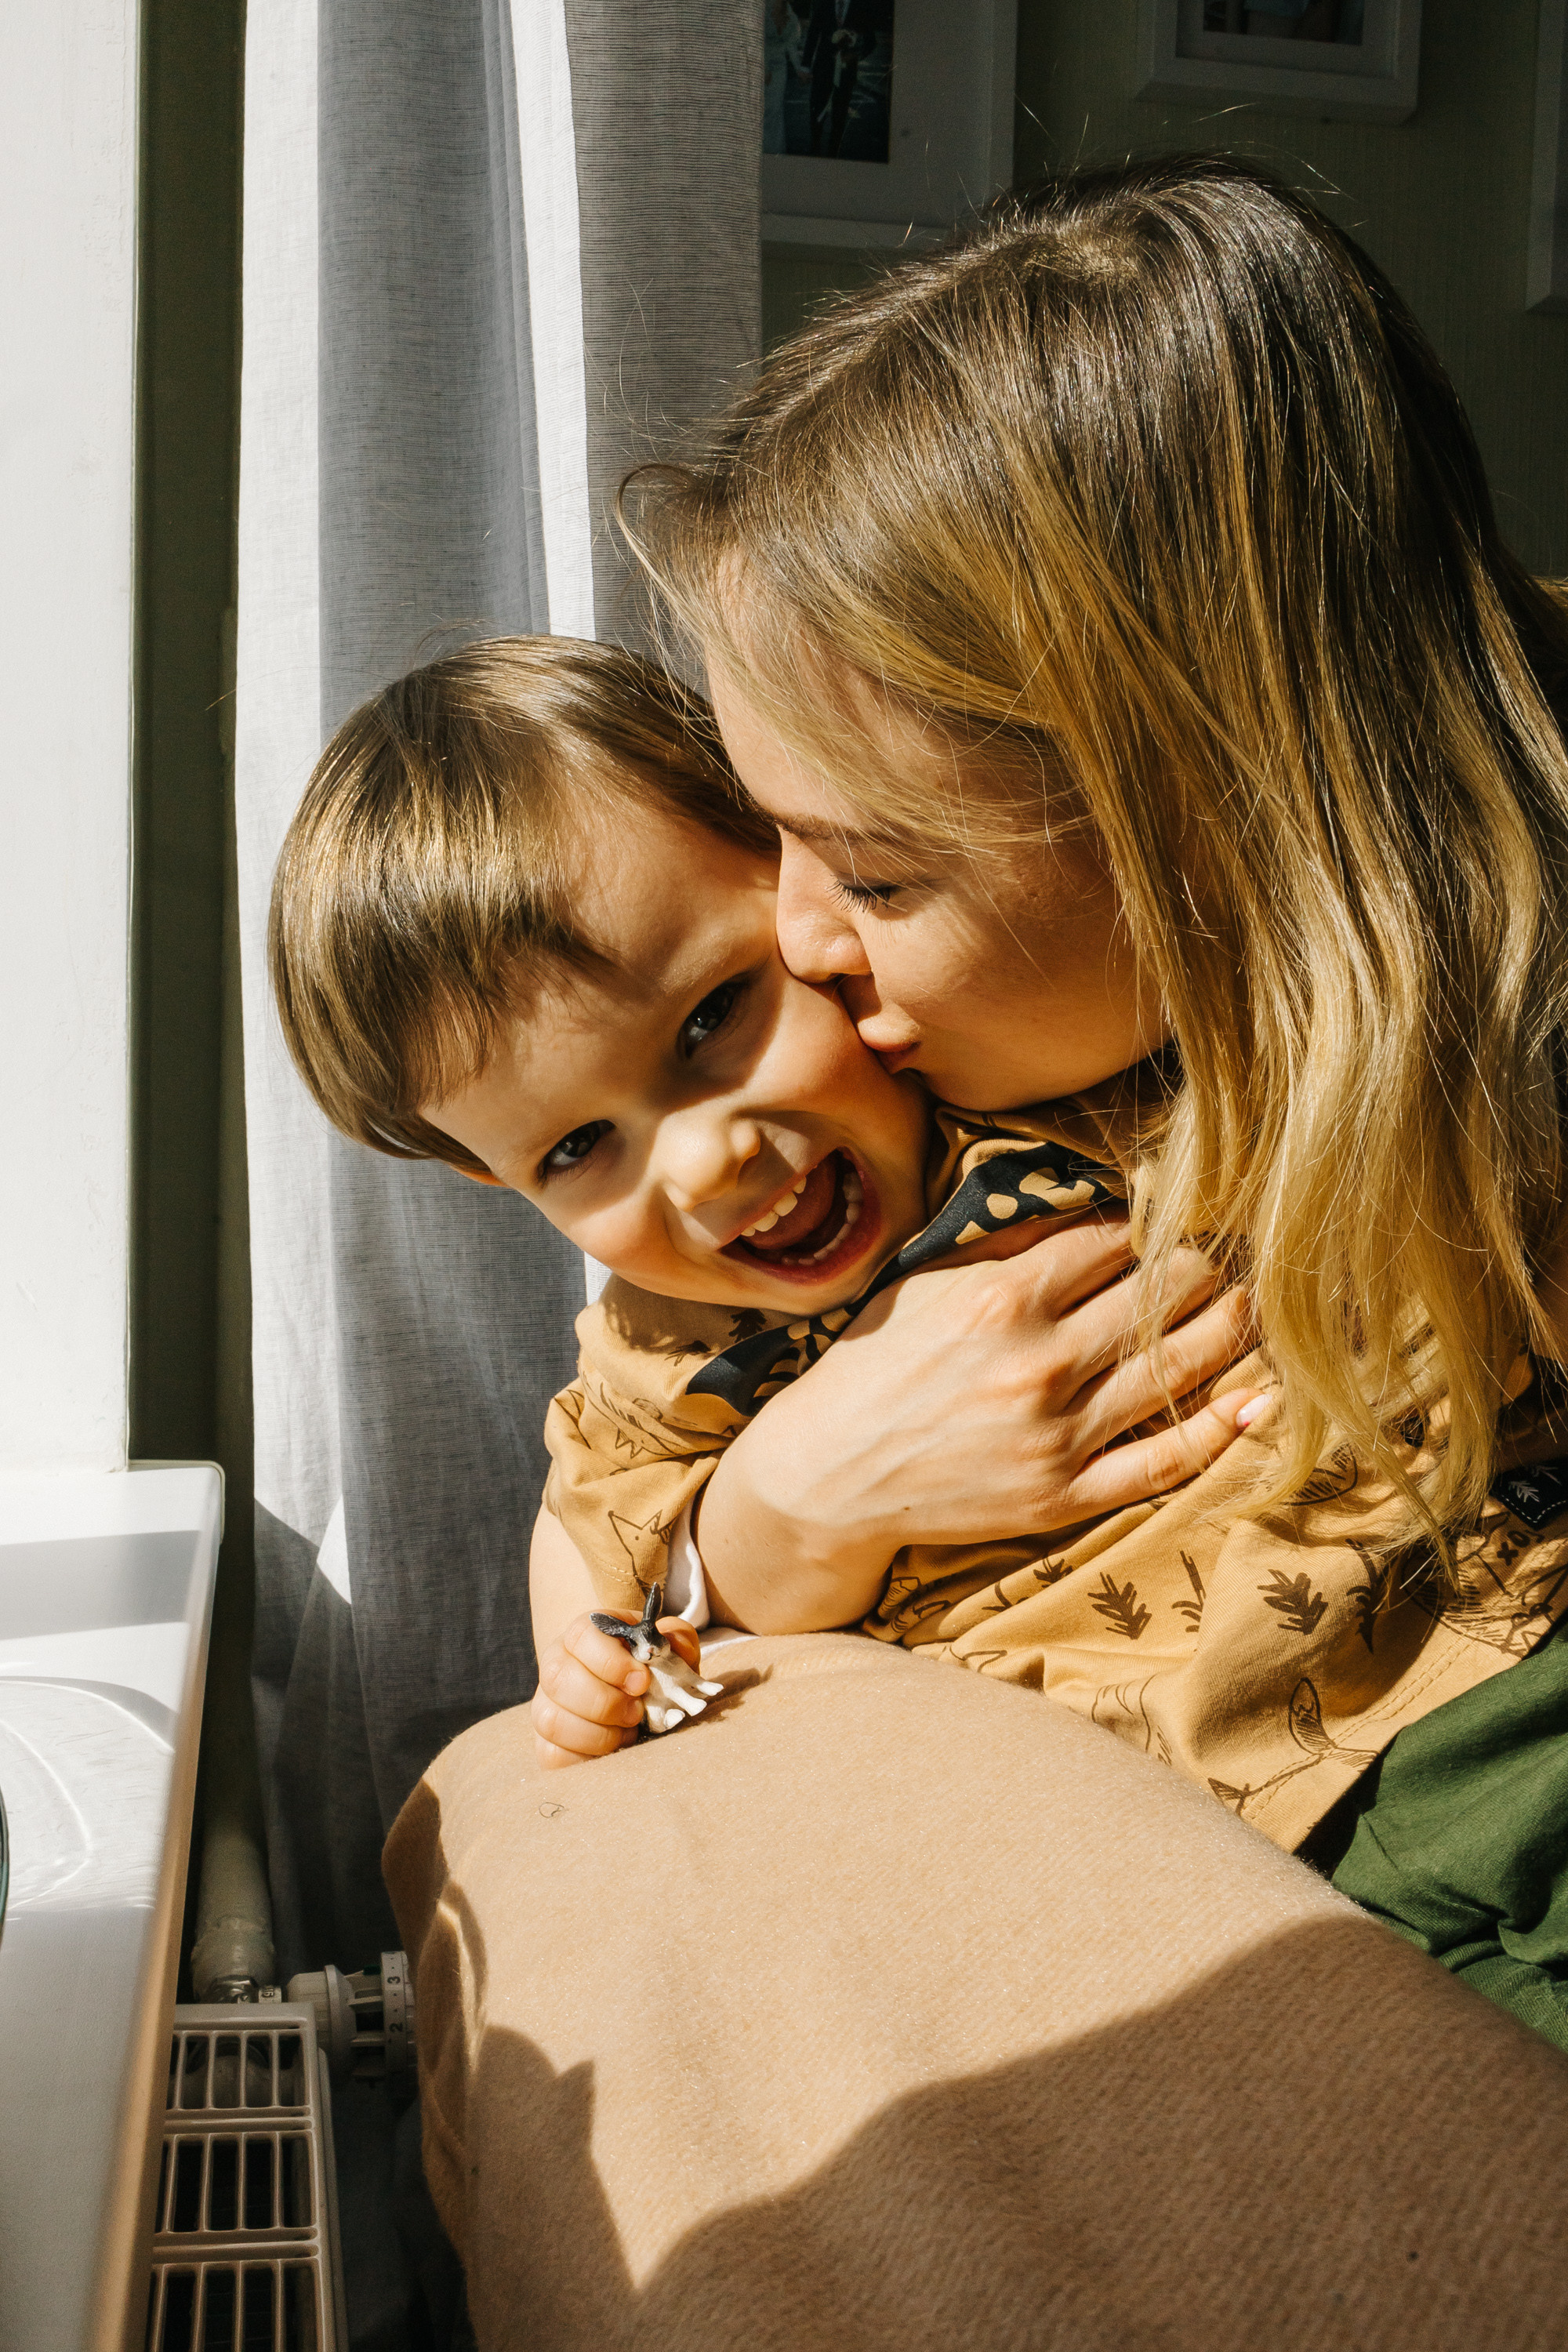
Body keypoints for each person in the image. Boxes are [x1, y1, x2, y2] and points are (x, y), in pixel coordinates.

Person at [604, 154, 1568, 2031]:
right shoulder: (910, 1108)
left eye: (879, 877)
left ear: (1213, 820)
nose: (798, 942)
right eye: (770, 839)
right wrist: (780, 1512)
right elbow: (587, 1607)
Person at [267, 630, 1259, 1740]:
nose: (702, 1163)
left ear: (807, 871)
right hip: (1129, 1780)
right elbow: (596, 1570)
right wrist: (609, 1662)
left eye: (709, 1019)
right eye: (576, 1149)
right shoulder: (666, 1362)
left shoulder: (1023, 1063)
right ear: (493, 1179)